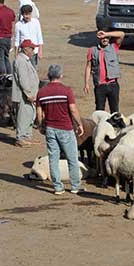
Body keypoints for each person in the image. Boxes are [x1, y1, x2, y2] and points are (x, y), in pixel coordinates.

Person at [35, 64, 85, 195]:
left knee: (53, 158)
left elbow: (39, 113)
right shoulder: (66, 91)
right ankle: (75, 185)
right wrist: (79, 124)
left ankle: (58, 187)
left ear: (49, 76)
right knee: (72, 158)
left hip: (50, 128)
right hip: (66, 128)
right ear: (61, 75)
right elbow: (73, 109)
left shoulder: (41, 92)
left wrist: (41, 126)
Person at [84, 30, 124, 113]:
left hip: (113, 84)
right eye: (102, 38)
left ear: (109, 38)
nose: (105, 39)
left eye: (106, 38)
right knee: (99, 111)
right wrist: (86, 83)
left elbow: (122, 34)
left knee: (115, 110)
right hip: (100, 86)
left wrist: (106, 34)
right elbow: (88, 67)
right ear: (99, 39)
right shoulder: (92, 50)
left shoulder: (114, 47)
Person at [12, 39, 41, 147]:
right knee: (24, 116)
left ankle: (27, 137)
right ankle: (21, 138)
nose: (33, 51)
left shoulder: (25, 60)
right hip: (24, 95)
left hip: (29, 94)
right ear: (25, 49)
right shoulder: (21, 61)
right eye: (32, 48)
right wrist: (29, 94)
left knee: (29, 115)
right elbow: (23, 79)